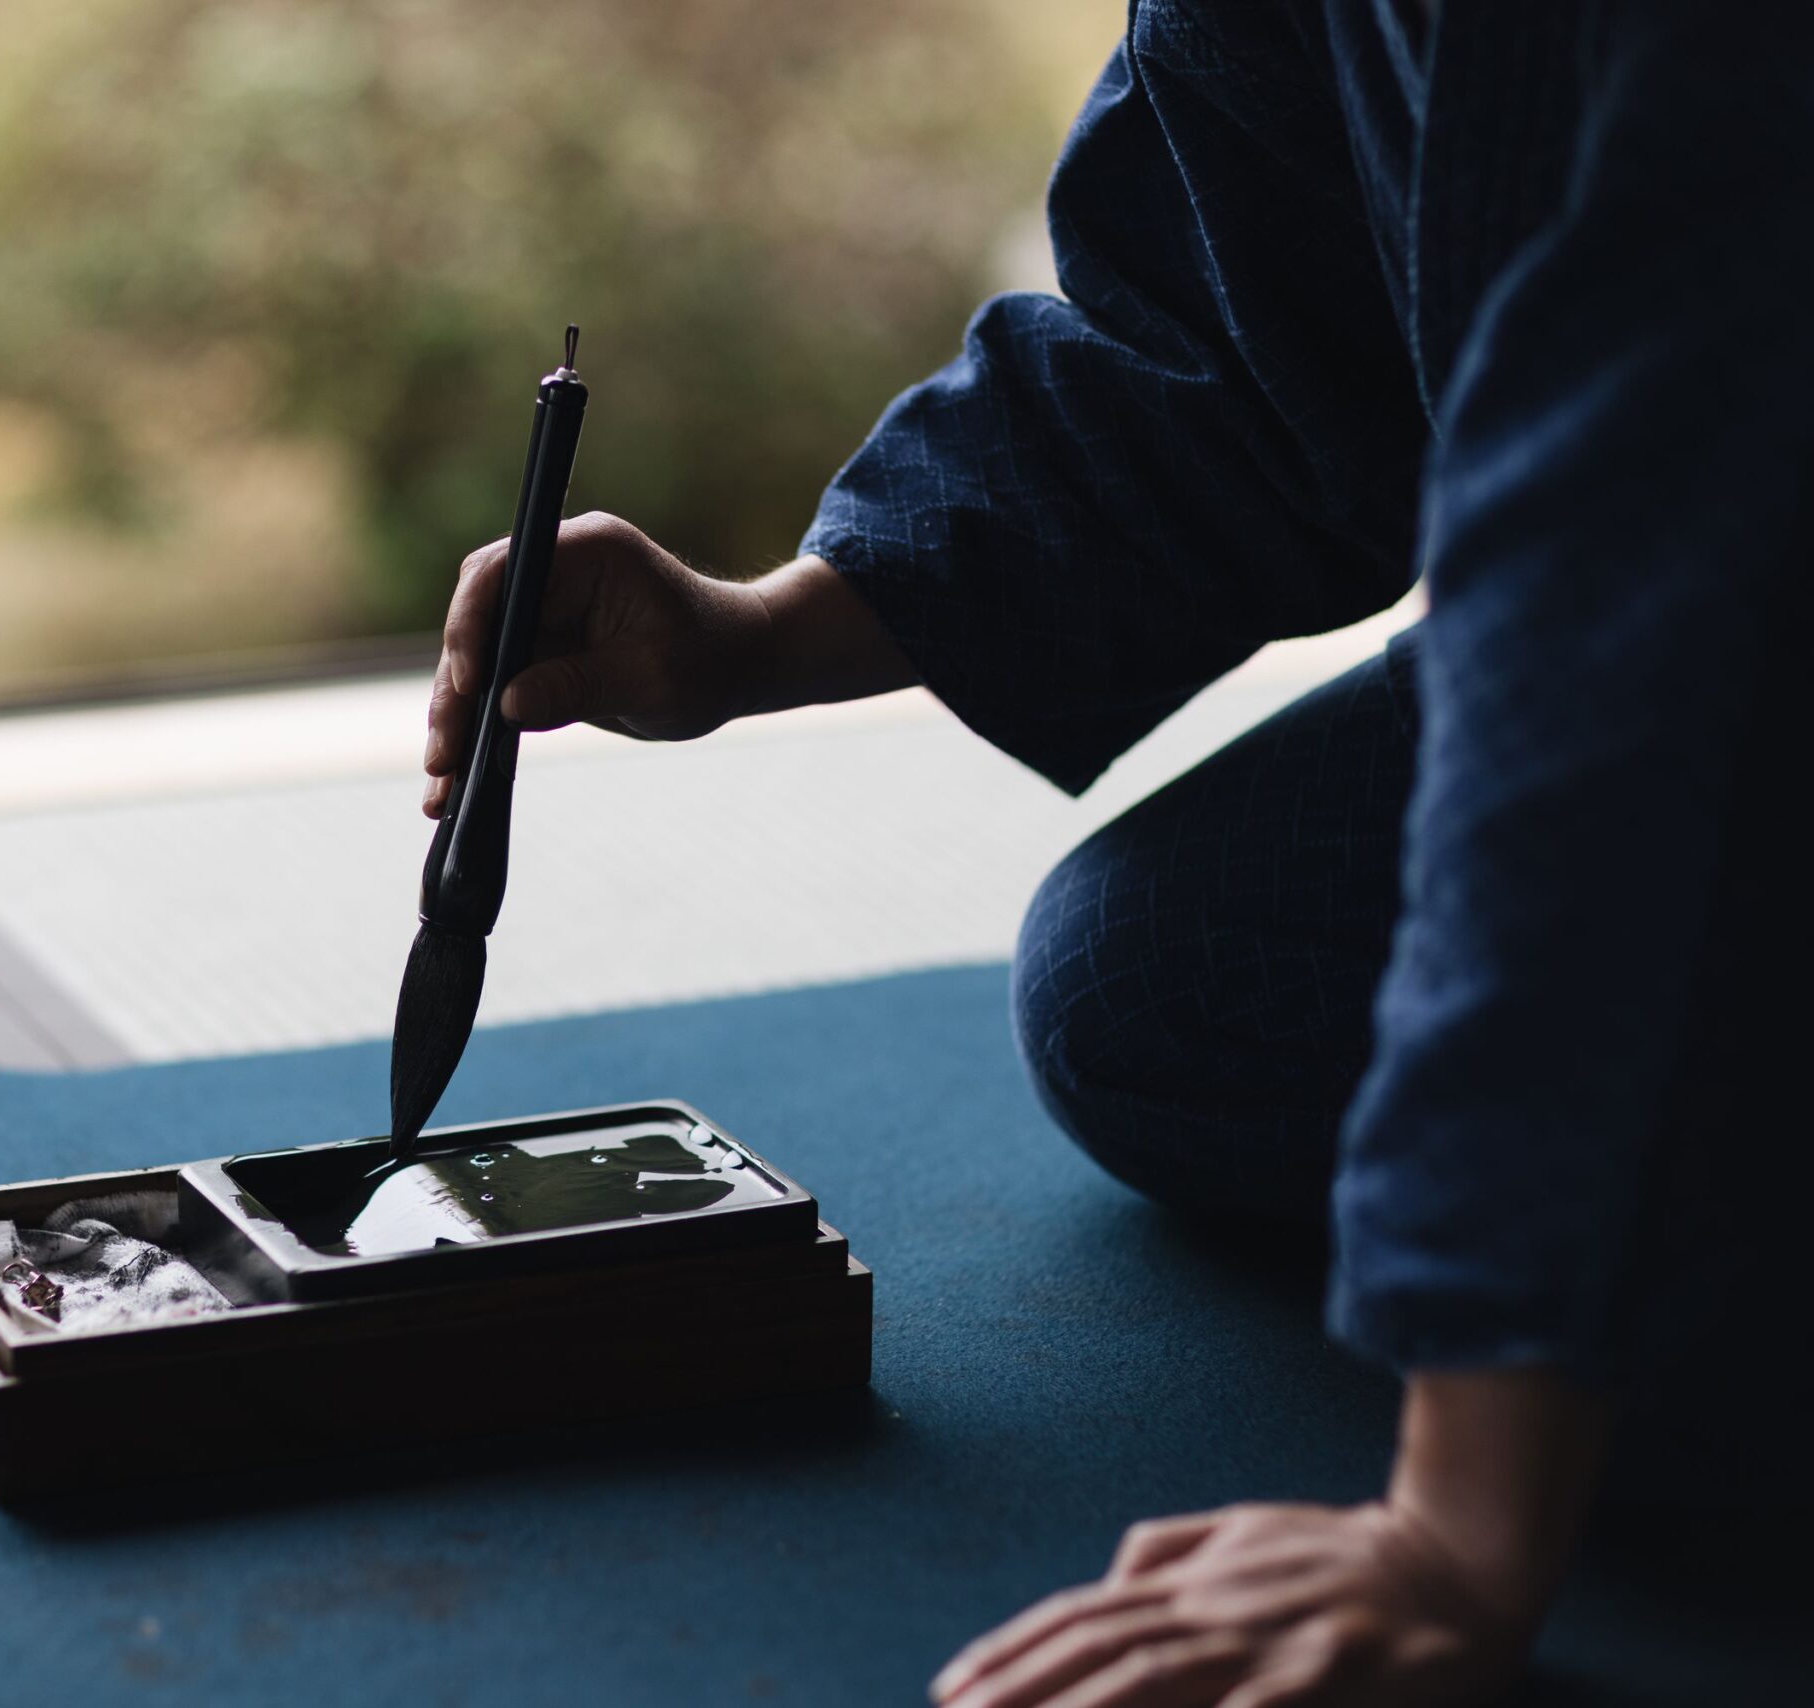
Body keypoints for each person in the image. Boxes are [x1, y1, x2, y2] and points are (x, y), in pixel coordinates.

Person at [423, 2, 1809, 1702]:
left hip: (1705, 563)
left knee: (1649, 1380)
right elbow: (1231, 335)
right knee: (1155, 982)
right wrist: (760, 635)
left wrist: (1459, 1528)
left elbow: (1617, 606)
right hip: (1672, 572)